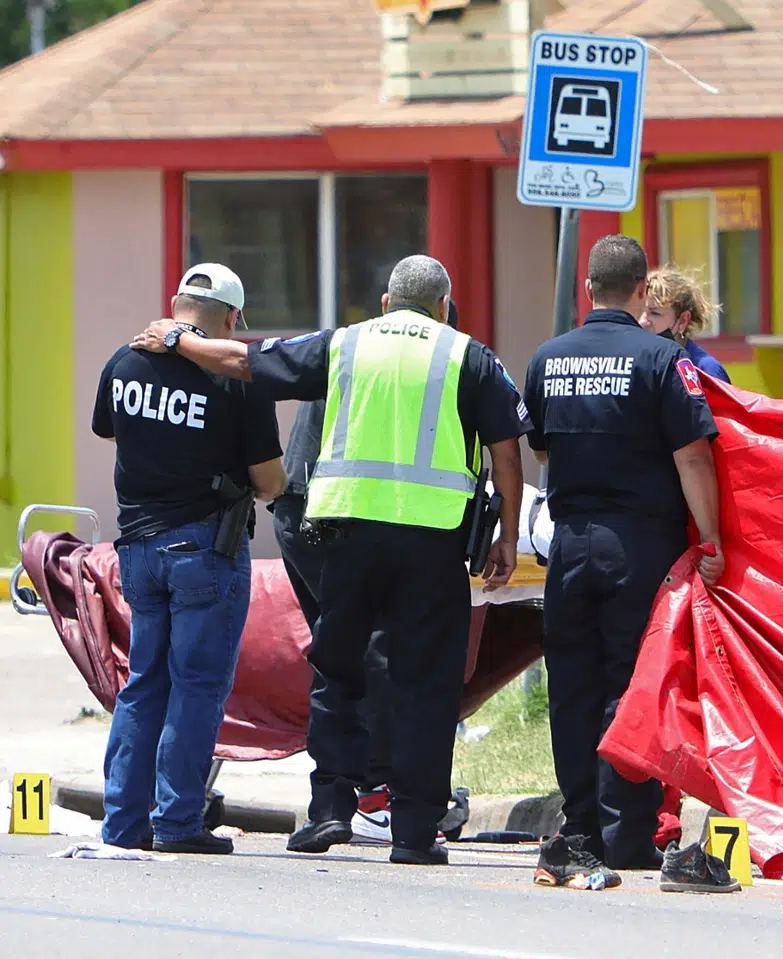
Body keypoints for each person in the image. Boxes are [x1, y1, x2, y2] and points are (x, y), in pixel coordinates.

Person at [132, 255, 529, 866]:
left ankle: (329, 814)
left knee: (339, 671)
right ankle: (416, 832)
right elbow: (507, 453)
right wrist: (504, 534)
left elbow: (242, 361)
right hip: (433, 542)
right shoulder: (468, 355)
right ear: (443, 306)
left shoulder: (347, 344)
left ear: (388, 303)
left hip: (349, 537)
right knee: (426, 682)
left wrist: (177, 337)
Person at [523, 235, 724, 886]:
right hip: (640, 543)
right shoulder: (664, 359)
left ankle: (578, 827)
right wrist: (714, 540)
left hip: (570, 540)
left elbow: (546, 452)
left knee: (573, 688)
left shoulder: (547, 358)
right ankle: (628, 833)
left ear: (587, 290)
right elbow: (693, 454)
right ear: (642, 291)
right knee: (633, 686)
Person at [94, 263, 286, 854]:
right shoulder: (237, 381)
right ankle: (177, 822)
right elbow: (270, 482)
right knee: (196, 686)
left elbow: (108, 430)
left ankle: (123, 825)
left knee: (143, 684)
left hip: (138, 551)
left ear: (176, 305)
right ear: (231, 318)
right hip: (203, 550)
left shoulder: (124, 362)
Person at [268, 299, 465, 846]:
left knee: (342, 658)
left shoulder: (350, 344)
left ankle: (337, 799)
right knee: (374, 657)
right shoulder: (411, 356)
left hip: (307, 512)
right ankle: (377, 794)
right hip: (335, 519)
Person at [641, 267, 732, 384]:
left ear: (683, 320)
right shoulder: (634, 363)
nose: (642, 321)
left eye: (654, 313)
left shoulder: (706, 370)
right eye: (639, 312)